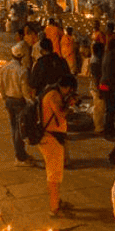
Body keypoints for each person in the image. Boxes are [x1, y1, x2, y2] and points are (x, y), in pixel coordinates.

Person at [39, 75, 77, 216]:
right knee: (54, 175)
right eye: (70, 90)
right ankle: (54, 208)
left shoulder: (51, 91)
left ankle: (57, 202)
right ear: (67, 87)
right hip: (50, 138)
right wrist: (70, 106)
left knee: (54, 173)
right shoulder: (54, 95)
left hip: (51, 137)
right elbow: (60, 114)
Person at [0, 43, 36, 166]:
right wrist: (30, 100)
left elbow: (1, 86)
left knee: (14, 127)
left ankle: (21, 154)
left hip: (9, 100)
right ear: (22, 57)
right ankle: (20, 157)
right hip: (19, 101)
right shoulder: (22, 70)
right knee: (20, 129)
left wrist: (4, 98)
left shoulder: (4, 68)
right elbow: (24, 89)